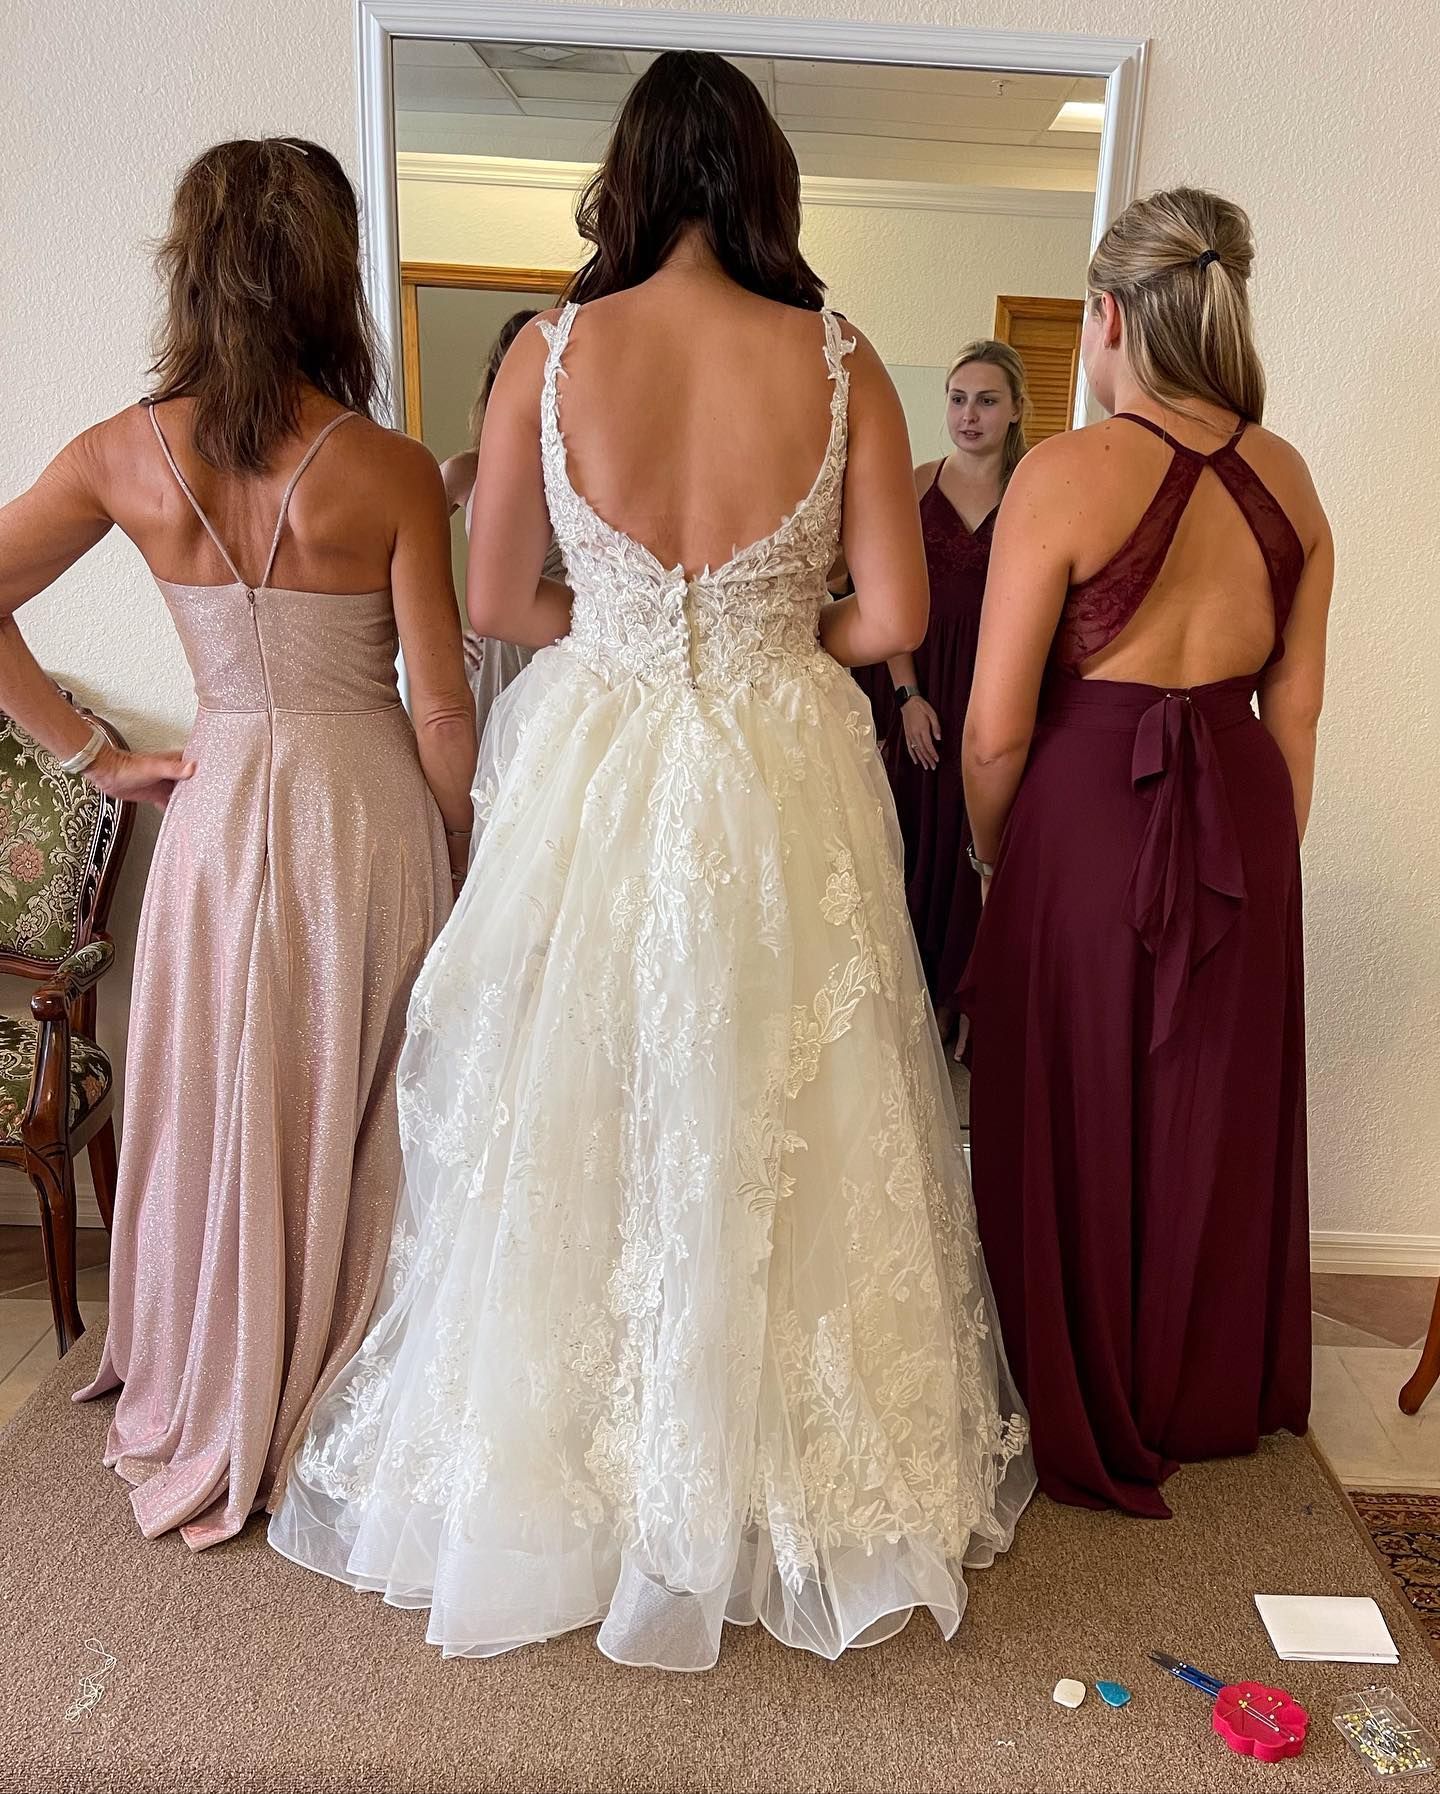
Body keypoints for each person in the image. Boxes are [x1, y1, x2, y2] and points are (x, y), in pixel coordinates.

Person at [272, 51, 1032, 1669]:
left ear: (623, 181)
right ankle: (757, 1473)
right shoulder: (837, 359)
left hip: (600, 756)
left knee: (577, 1091)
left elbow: (495, 601)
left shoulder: (551, 353)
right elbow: (895, 615)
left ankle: (574, 1471)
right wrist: (765, 630)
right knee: (782, 1100)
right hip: (780, 762)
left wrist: (629, 622)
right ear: (765, 182)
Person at [0, 136, 476, 1548]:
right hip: (366, 816)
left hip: (216, 812)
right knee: (362, 1095)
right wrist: (470, 853)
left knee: (225, 1088)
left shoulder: (123, 452)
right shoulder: (390, 468)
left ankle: (214, 1359)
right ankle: (335, 1369)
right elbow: (440, 707)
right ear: (331, 273)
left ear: (191, 271)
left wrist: (91, 757)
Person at [960, 187, 1331, 1517]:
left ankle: (1070, 1370)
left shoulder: (1063, 473)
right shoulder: (1291, 479)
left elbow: (995, 730)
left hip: (1084, 820)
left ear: (1108, 316)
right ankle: (1199, 1387)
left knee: (1069, 1089)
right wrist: (1263, 869)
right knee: (1205, 1106)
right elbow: (1296, 712)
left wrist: (1001, 862)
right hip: (1242, 813)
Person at [869, 343, 1028, 1039]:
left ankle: (969, 1006)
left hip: (994, 685)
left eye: (987, 401)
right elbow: (882, 594)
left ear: (1015, 409)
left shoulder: (1033, 490)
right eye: (958, 399)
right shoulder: (915, 484)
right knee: (912, 838)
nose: (969, 415)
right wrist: (908, 698)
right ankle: (915, 1008)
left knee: (979, 842)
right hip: (920, 683)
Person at [439, 310, 565, 741]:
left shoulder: (581, 477)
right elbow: (392, 552)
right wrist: (442, 636)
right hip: (497, 663)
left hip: (567, 657)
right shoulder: (464, 472)